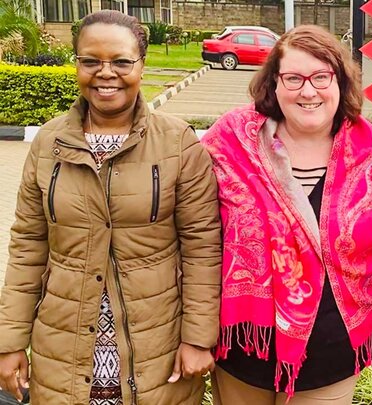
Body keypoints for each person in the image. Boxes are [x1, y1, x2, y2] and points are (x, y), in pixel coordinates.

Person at [0, 10, 221, 405]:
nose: (105, 73)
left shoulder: (177, 143)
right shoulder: (48, 143)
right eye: (90, 61)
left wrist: (198, 337)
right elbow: (28, 247)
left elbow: (202, 247)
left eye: (120, 61)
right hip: (63, 342)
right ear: (78, 64)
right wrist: (10, 340)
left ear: (141, 64)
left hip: (155, 342)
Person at [201, 25, 372, 405]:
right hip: (244, 349)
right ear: (274, 84)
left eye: (321, 77)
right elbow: (190, 219)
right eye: (293, 78)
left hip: (331, 353)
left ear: (340, 82)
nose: (308, 91)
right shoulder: (230, 141)